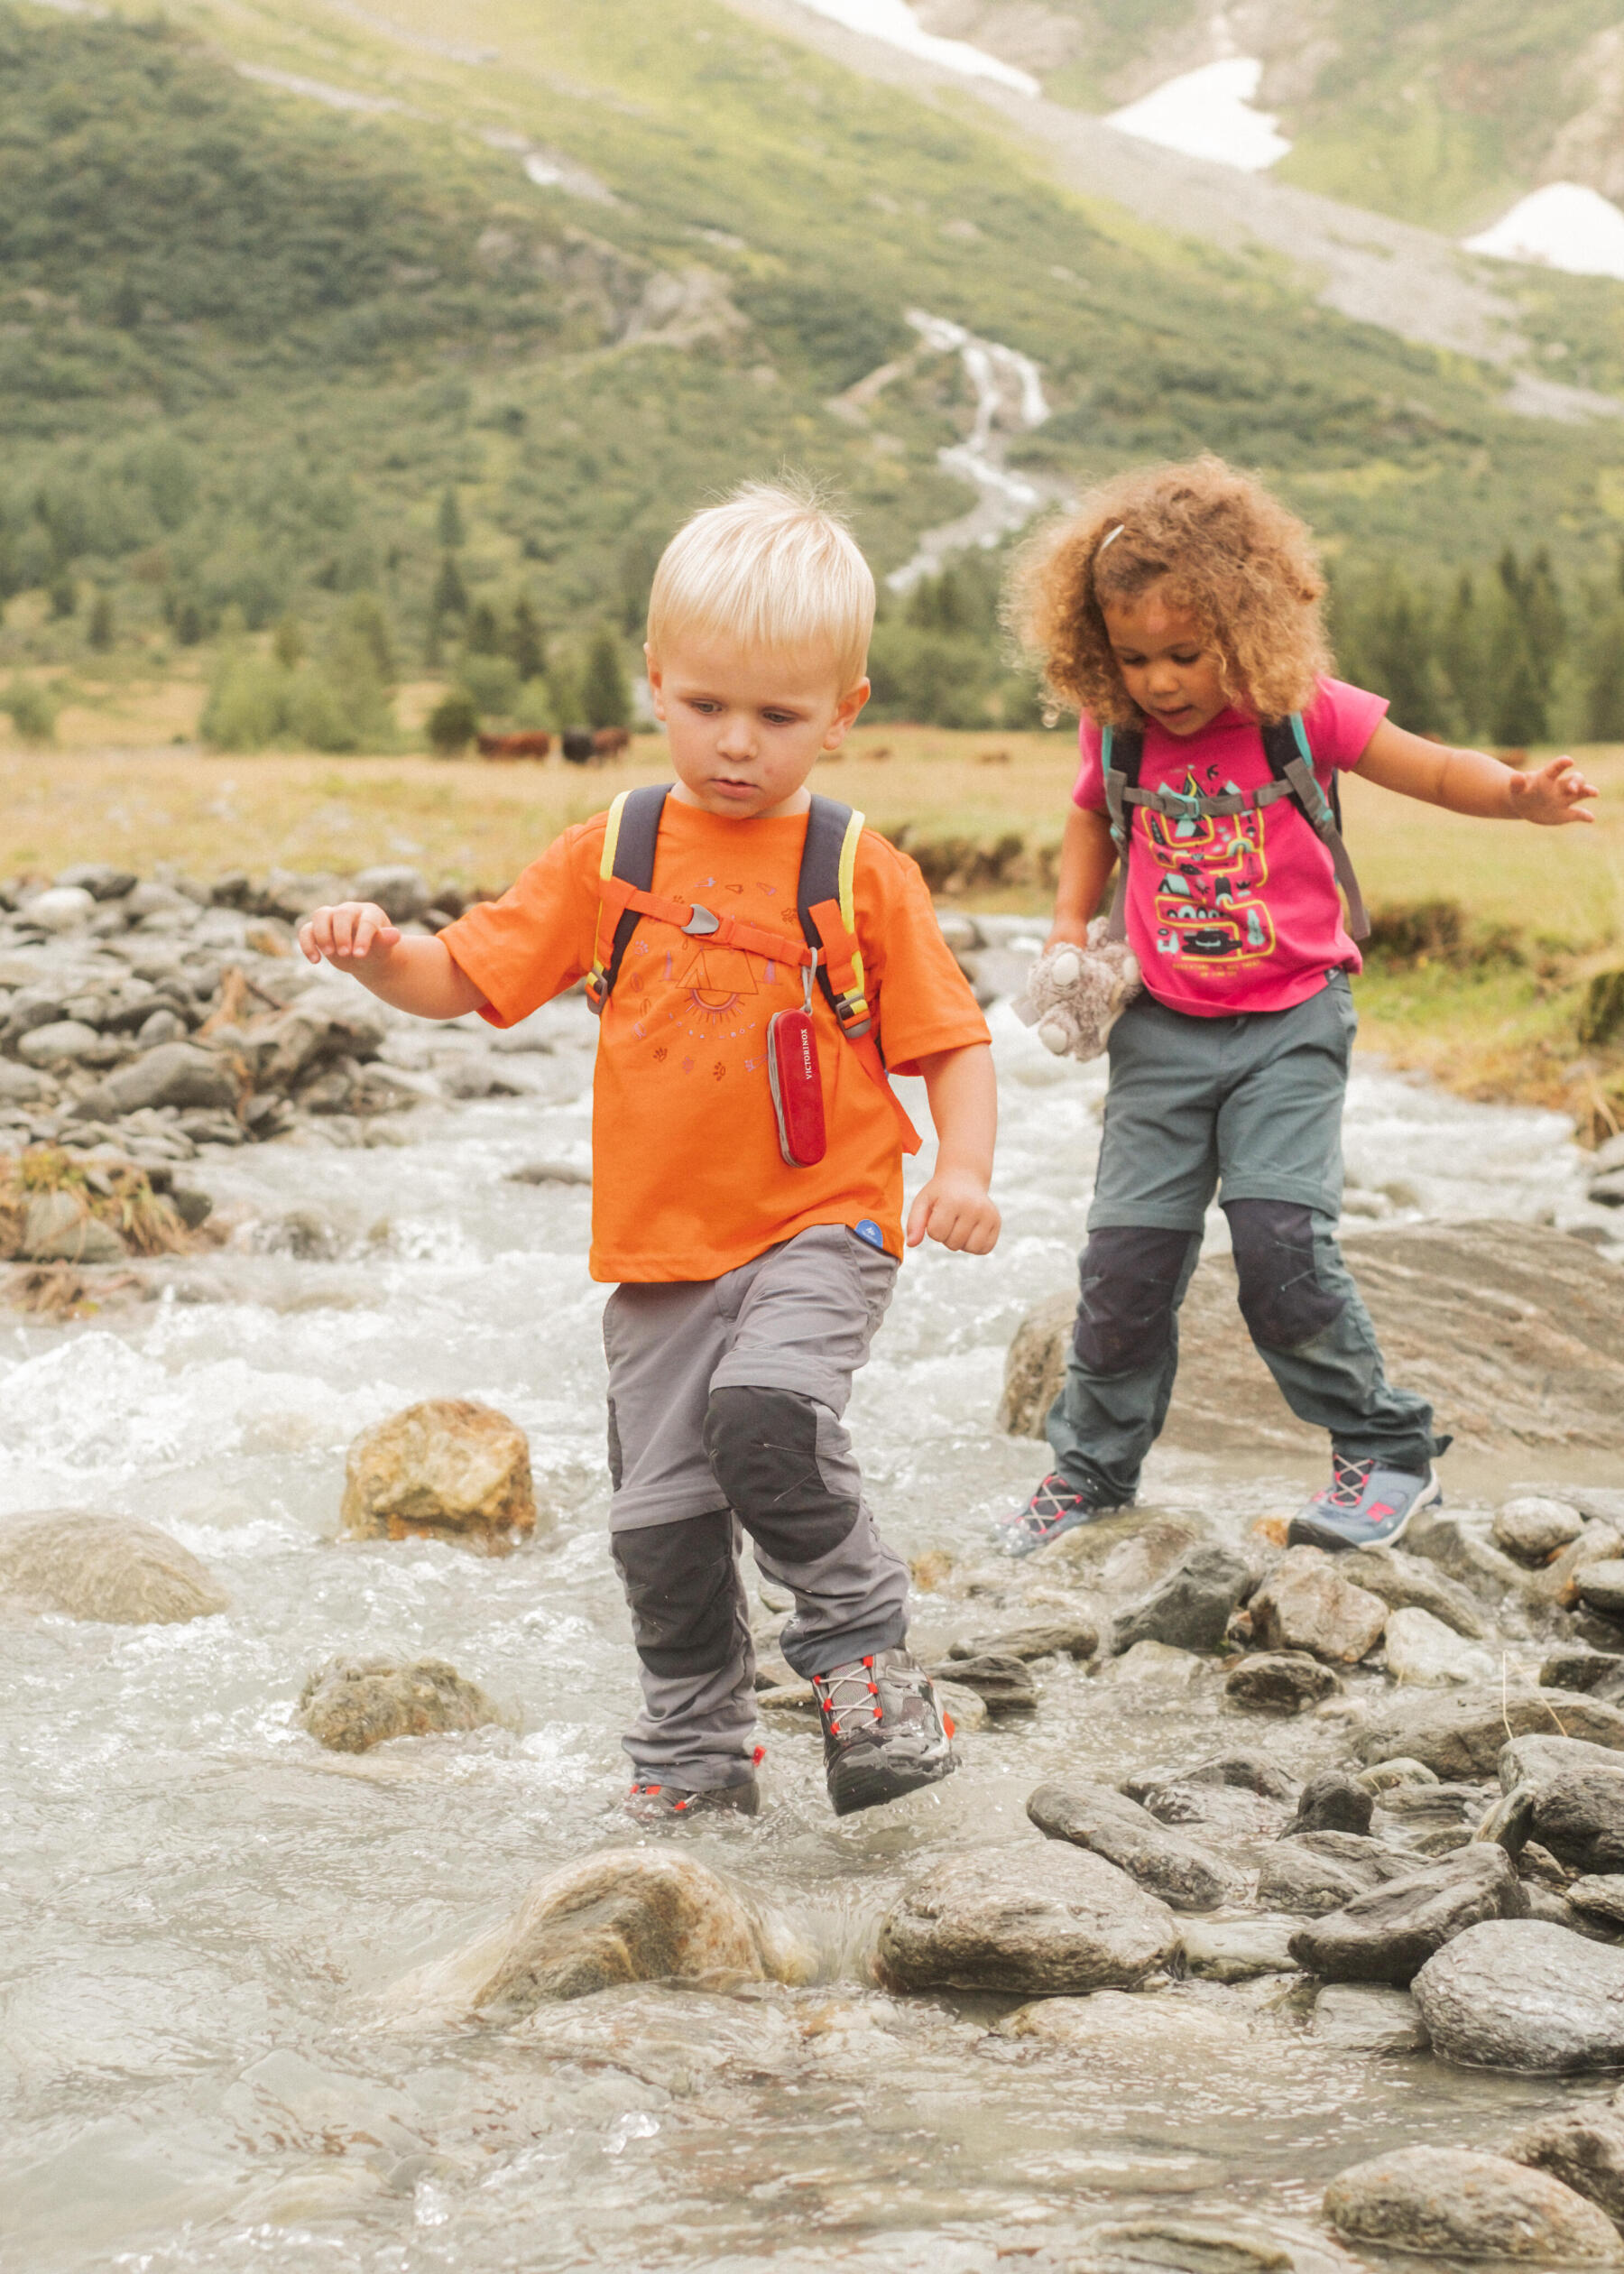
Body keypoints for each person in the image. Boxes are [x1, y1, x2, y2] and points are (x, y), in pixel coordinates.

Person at [298, 482, 1001, 1821]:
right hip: (661, 1255)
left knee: (768, 1417)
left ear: (843, 710)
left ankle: (865, 1663)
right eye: (706, 707)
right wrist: (384, 953)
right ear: (656, 680)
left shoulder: (859, 871)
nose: (738, 745)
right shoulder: (611, 850)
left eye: (780, 718)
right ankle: (693, 1752)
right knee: (659, 1524)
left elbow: (953, 1042)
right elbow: (463, 975)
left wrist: (960, 1173)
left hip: (825, 1221)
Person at [996, 455, 1595, 1560]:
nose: (1163, 681)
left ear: (1247, 620)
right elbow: (1091, 818)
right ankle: (1088, 1473)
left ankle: (1384, 1452)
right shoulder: (1116, 727)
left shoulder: (1301, 712)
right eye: (1133, 658)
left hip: (1292, 1023)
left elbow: (1431, 767)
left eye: (1186, 653)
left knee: (1280, 1246)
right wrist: (1066, 926)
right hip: (1161, 1030)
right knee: (1124, 1266)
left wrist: (1518, 797)